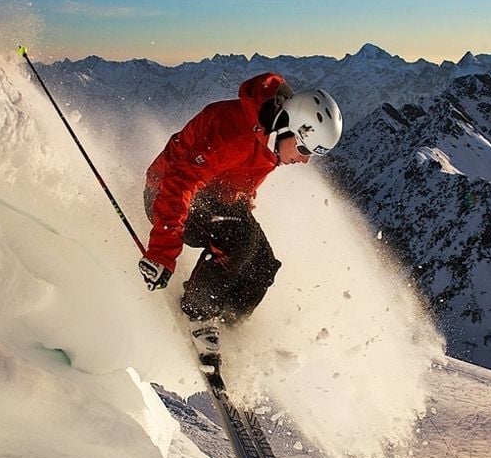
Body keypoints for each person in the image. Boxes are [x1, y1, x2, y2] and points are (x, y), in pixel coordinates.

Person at [137, 72, 343, 369]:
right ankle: (198, 312)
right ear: (289, 129)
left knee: (262, 264)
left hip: (211, 198)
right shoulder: (234, 133)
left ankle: (226, 324)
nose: (305, 160)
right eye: (304, 149)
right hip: (163, 196)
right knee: (239, 238)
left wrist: (242, 197)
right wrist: (161, 254)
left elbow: (238, 174)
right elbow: (178, 183)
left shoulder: (271, 137)